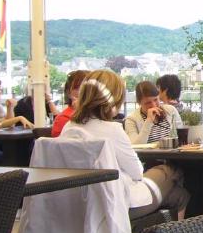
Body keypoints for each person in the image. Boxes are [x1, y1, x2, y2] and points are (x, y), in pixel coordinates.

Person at [61, 70, 189, 220]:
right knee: (170, 170)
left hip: (79, 204)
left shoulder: (68, 128)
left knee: (180, 195)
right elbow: (136, 172)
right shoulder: (112, 129)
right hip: (119, 203)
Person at [52, 70, 88, 137]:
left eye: (89, 88)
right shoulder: (64, 119)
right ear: (68, 92)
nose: (85, 92)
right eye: (78, 88)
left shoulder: (96, 116)